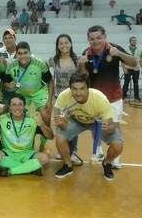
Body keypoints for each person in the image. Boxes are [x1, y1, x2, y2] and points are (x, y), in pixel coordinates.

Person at [79, 25, 137, 169]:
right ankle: (98, 150)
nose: (95, 41)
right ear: (88, 40)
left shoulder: (114, 48)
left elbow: (134, 63)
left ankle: (116, 156)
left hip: (114, 97)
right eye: (92, 39)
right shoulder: (87, 53)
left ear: (104, 37)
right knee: (96, 126)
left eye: (98, 37)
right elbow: (82, 77)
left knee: (115, 127)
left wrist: (119, 54)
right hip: (95, 99)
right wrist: (81, 65)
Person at [54, 73, 123, 181]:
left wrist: (108, 128)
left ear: (88, 88)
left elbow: (112, 127)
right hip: (76, 120)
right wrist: (62, 123)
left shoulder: (100, 99)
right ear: (70, 88)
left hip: (97, 122)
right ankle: (68, 165)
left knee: (118, 145)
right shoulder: (63, 97)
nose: (78, 93)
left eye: (82, 89)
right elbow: (61, 126)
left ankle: (107, 163)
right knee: (59, 138)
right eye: (74, 89)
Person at [0, 94, 53, 177]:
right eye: (14, 105)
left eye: (20, 104)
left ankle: (11, 171)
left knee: (45, 158)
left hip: (27, 153)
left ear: (24, 106)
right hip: (9, 153)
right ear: (10, 107)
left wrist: (41, 124)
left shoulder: (32, 119)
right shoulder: (2, 119)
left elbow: (50, 136)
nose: (17, 108)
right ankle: (29, 168)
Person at [4, 42, 53, 150]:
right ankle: (24, 142)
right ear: (16, 54)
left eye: (25, 53)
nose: (23, 56)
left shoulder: (40, 64)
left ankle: (43, 143)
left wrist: (49, 101)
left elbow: (50, 81)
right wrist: (9, 85)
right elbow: (6, 82)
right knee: (20, 116)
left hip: (38, 92)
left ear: (30, 53)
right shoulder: (11, 66)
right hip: (21, 93)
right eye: (20, 53)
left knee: (45, 114)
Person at [47, 34, 82, 165]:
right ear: (57, 46)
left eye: (66, 42)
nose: (64, 45)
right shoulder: (53, 60)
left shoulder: (77, 60)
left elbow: (84, 76)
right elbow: (42, 68)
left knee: (73, 126)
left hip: (74, 99)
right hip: (58, 98)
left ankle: (72, 152)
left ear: (71, 44)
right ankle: (63, 151)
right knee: (61, 125)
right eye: (61, 43)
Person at [122, 36, 142, 102]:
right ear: (130, 42)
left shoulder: (139, 49)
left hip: (136, 69)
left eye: (135, 40)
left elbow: (141, 60)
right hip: (128, 68)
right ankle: (123, 97)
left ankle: (137, 97)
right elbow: (122, 60)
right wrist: (124, 69)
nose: (134, 41)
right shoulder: (125, 50)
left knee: (136, 83)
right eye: (133, 40)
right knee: (126, 83)